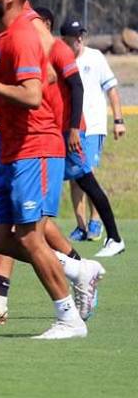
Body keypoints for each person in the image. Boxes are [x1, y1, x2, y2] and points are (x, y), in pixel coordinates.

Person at [0, 0, 103, 339]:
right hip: (9, 150)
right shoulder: (1, 36)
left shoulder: (22, 34)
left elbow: (33, 94)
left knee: (29, 236)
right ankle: (78, 269)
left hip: (35, 148)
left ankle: (68, 319)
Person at [60, 17, 126, 256]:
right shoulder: (61, 59)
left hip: (93, 126)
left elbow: (112, 89)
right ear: (64, 39)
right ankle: (81, 225)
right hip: (71, 127)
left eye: (81, 34)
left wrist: (118, 120)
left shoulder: (95, 57)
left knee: (87, 173)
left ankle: (96, 222)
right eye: (74, 36)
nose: (78, 39)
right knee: (75, 177)